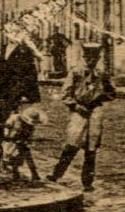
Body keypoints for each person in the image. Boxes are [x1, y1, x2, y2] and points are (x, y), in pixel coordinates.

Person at [0, 22, 41, 184]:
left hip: (16, 95)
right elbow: (2, 72)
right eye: (9, 31)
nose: (11, 34)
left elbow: (30, 76)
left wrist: (27, 97)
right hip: (4, 92)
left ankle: (21, 169)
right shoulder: (4, 47)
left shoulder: (25, 50)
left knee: (17, 135)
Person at [49, 42, 116, 190]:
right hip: (79, 111)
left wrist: (101, 96)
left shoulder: (101, 74)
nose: (91, 61)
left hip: (95, 112)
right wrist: (76, 106)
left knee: (91, 147)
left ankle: (87, 181)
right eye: (88, 57)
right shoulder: (76, 72)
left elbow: (112, 93)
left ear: (98, 58)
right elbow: (66, 93)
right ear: (84, 57)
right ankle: (57, 174)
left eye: (95, 58)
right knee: (72, 143)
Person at [0, 105, 44, 182]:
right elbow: (6, 127)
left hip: (22, 140)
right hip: (10, 140)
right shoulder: (14, 118)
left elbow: (30, 134)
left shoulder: (31, 126)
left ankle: (34, 173)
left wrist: (27, 140)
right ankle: (8, 167)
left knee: (25, 156)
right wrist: (6, 135)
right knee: (8, 154)